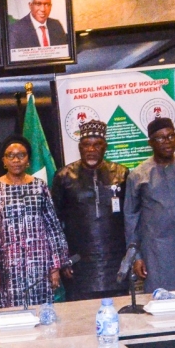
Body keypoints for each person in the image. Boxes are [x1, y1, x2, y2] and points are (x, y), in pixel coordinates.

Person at [0, 135, 70, 308]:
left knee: (41, 317)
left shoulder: (39, 186)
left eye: (21, 155)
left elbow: (53, 228)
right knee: (12, 319)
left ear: (28, 160)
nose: (16, 160)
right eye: (10, 155)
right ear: (4, 161)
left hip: (40, 267)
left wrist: (55, 266)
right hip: (7, 269)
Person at [124, 118, 175, 291]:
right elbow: (131, 219)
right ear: (151, 143)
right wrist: (137, 257)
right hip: (155, 253)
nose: (167, 142)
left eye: (171, 136)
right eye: (161, 138)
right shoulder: (139, 176)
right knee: (159, 302)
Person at [52, 120, 129, 301]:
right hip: (79, 262)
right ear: (80, 147)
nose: (91, 150)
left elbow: (131, 218)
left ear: (105, 147)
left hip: (115, 261)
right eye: (86, 145)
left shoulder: (121, 174)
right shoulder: (64, 176)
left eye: (97, 145)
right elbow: (54, 223)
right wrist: (62, 258)